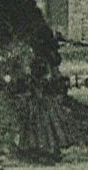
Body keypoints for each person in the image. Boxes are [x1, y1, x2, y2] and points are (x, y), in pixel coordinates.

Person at [11, 24, 69, 163]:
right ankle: (49, 149)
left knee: (40, 120)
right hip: (44, 94)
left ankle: (42, 149)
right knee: (47, 121)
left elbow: (43, 76)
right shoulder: (48, 57)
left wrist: (33, 81)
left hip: (41, 94)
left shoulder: (42, 58)